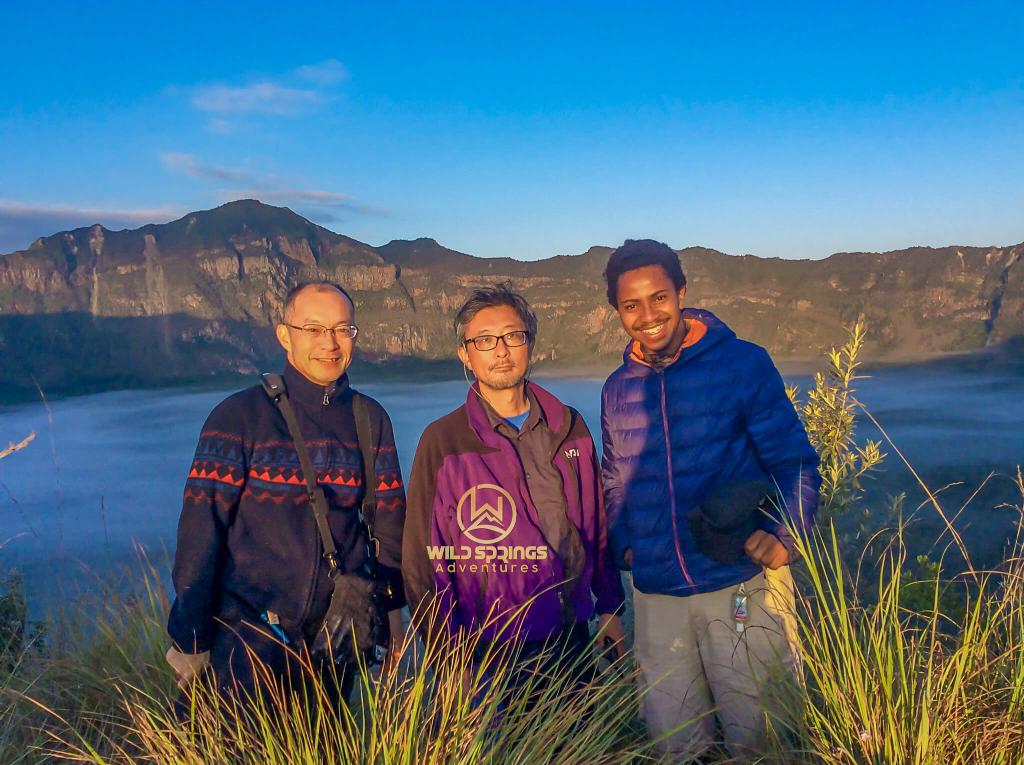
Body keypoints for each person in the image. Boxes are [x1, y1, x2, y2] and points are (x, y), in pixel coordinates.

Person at [600, 240, 821, 758]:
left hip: (739, 583)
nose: (648, 316)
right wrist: (627, 546)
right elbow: (616, 480)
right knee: (675, 740)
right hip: (658, 597)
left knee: (762, 731)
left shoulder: (742, 364)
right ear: (617, 311)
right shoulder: (617, 388)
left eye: (659, 298)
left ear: (681, 293)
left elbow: (794, 459)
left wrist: (786, 535)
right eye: (631, 305)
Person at [165, 281, 406, 706]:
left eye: (341, 329)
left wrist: (390, 615)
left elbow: (387, 524)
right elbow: (202, 532)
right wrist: (191, 637)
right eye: (313, 329)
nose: (329, 343)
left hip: (334, 639)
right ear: (284, 335)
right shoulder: (239, 417)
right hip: (245, 642)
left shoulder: (370, 419)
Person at [402, 284, 625, 690]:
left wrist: (610, 606)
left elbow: (595, 526)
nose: (501, 350)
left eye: (512, 336)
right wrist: (447, 659)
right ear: (465, 355)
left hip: (571, 636)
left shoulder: (568, 425)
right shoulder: (445, 442)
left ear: (530, 344)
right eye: (484, 341)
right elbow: (423, 561)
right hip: (489, 651)